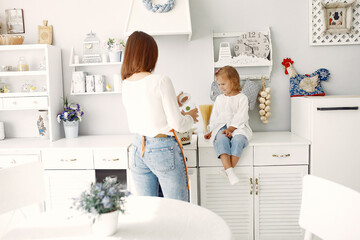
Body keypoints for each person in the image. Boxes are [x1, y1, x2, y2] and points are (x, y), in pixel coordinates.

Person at [121, 31, 198, 202]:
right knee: (177, 208)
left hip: (138, 149)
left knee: (150, 209)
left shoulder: (126, 84)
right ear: (150, 54)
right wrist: (191, 117)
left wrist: (174, 102)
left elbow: (148, 110)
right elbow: (178, 124)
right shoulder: (161, 80)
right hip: (163, 149)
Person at [204, 66, 252, 185]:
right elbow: (215, 117)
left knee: (239, 140)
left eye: (223, 84)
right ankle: (230, 172)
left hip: (238, 126)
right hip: (221, 126)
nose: (220, 88)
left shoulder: (242, 98)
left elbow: (241, 116)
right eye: (219, 84)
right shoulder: (219, 99)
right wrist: (211, 130)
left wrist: (231, 128)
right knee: (220, 138)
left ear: (234, 81)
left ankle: (228, 171)